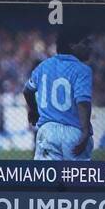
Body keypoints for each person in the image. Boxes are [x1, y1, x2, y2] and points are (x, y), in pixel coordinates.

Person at [23, 26, 94, 161]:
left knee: (46, 178)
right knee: (78, 179)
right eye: (86, 43)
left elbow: (27, 91)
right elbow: (83, 101)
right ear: (72, 45)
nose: (90, 47)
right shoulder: (83, 70)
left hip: (47, 131)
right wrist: (85, 131)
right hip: (74, 131)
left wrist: (33, 110)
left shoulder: (43, 66)